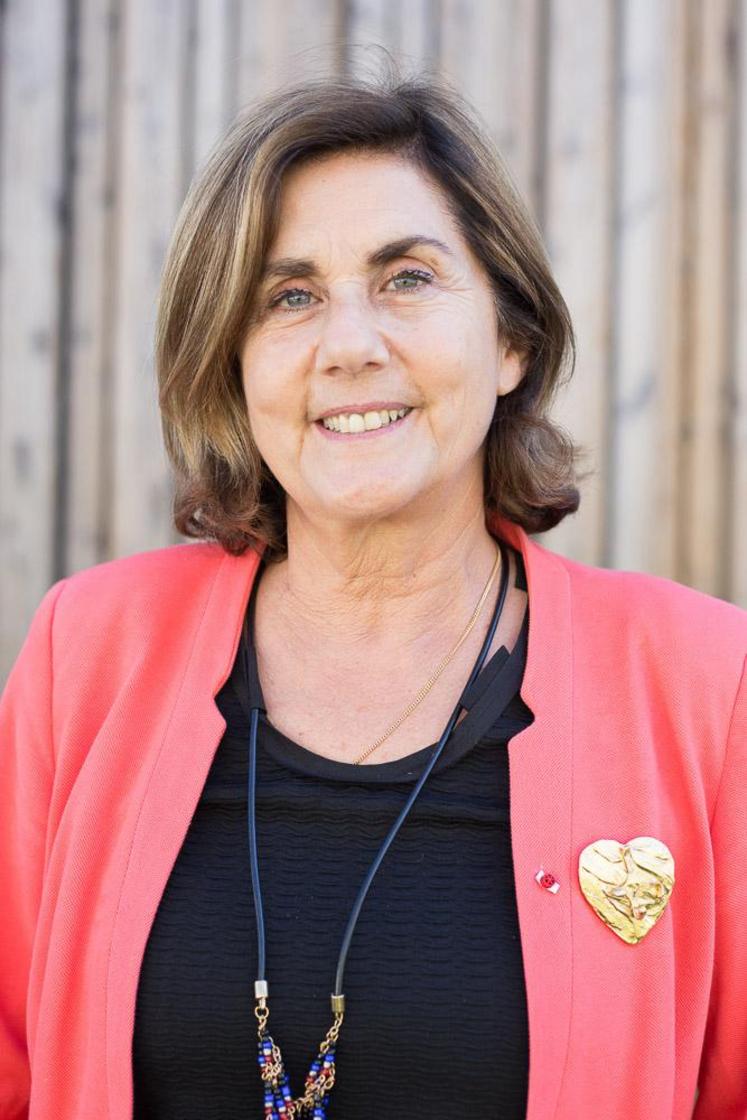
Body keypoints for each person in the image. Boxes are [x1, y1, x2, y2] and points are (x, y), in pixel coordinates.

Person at [1, 68, 745, 1120]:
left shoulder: (705, 685)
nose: (349, 345)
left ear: (510, 340)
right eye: (290, 297)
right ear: (235, 363)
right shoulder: (89, 653)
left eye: (406, 278)